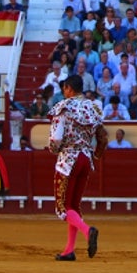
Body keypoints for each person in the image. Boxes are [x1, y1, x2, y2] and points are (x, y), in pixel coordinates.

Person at [48, 74, 107, 262]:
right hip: (85, 160)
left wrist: (53, 149)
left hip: (68, 161)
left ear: (68, 89)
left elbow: (56, 139)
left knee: (63, 208)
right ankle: (69, 250)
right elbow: (102, 137)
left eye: (64, 89)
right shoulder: (93, 107)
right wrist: (96, 154)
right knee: (73, 206)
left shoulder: (63, 108)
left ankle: (87, 230)